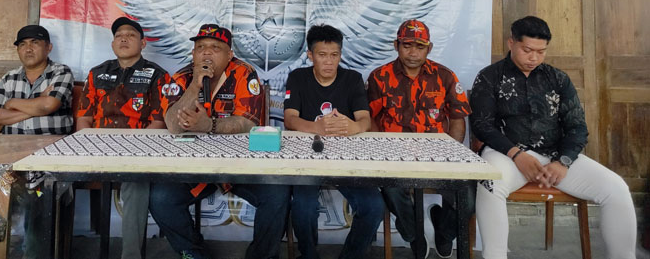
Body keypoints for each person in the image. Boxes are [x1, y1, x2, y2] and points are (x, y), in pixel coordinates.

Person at [470, 16, 637, 259]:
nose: (534, 58)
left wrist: (563, 162)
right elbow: (482, 126)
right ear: (511, 43)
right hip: (505, 153)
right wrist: (517, 155)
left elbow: (577, 127)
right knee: (490, 184)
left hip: (554, 156)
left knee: (616, 188)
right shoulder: (489, 77)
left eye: (541, 52)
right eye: (527, 50)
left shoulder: (558, 79)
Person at [149, 24, 290, 259]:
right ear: (193, 54)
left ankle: (261, 256)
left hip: (241, 167)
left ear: (229, 54)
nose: (206, 52)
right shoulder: (181, 78)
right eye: (200, 47)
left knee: (277, 194)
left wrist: (209, 125)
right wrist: (195, 85)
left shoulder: (244, 74)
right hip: (194, 168)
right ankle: (193, 253)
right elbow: (173, 125)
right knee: (161, 198)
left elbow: (248, 123)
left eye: (215, 48)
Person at [367, 19, 472, 258]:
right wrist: (382, 152)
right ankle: (413, 234)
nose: (413, 53)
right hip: (394, 154)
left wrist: (452, 154)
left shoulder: (445, 76)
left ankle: (444, 232)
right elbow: (371, 118)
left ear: (429, 48)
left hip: (437, 154)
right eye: (407, 45)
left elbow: (457, 119)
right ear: (396, 45)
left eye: (420, 46)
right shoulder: (379, 77)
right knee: (392, 189)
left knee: (467, 195)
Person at [284, 24, 383, 259]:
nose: (329, 62)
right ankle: (308, 255)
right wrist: (317, 128)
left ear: (340, 55)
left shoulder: (352, 79)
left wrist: (353, 127)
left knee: (374, 206)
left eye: (334, 55)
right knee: (303, 208)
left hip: (345, 160)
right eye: (322, 55)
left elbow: (364, 120)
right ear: (310, 55)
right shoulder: (298, 77)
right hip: (307, 159)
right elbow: (290, 119)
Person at [75, 17, 171, 259]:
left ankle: (130, 255)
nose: (124, 39)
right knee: (53, 179)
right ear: (112, 44)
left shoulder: (157, 75)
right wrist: (88, 147)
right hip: (97, 148)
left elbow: (159, 123)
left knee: (136, 182)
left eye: (130, 35)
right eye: (119, 35)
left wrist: (131, 149)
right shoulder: (97, 73)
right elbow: (84, 119)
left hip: (137, 151)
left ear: (143, 43)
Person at [0, 24, 74, 259]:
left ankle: (32, 255)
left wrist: (12, 104)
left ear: (48, 47)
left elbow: (49, 105)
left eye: (35, 42)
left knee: (37, 196)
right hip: (9, 155)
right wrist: (35, 105)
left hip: (49, 155)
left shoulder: (60, 72)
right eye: (22, 44)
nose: (28, 48)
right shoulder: (9, 77)